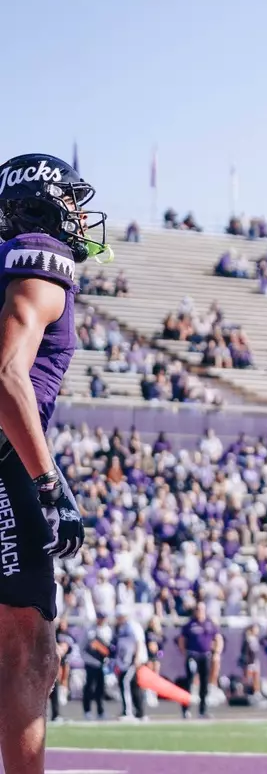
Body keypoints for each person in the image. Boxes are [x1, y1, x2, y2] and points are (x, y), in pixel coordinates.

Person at [0, 152, 99, 773]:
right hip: (6, 460)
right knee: (27, 646)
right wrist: (46, 482)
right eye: (72, 201)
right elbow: (7, 372)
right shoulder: (40, 258)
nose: (81, 217)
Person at [178, 602, 222, 719]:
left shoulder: (210, 624)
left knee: (204, 683)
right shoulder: (189, 624)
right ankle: (186, 709)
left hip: (205, 655)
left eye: (201, 609)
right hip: (192, 655)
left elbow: (217, 638)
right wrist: (184, 653)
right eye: (197, 609)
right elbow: (182, 640)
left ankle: (203, 710)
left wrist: (216, 652)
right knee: (190, 680)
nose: (199, 611)